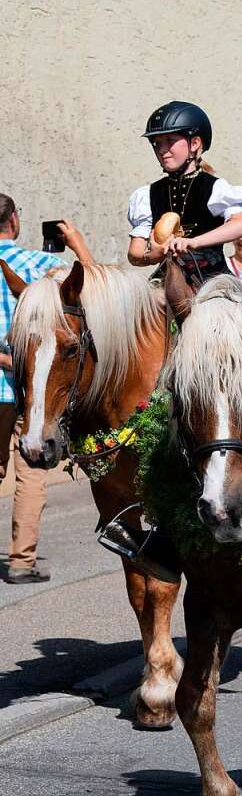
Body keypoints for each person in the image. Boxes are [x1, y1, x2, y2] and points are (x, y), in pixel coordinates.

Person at [0, 195, 93, 583]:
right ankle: (22, 561)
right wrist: (76, 243)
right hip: (27, 388)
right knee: (30, 472)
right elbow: (92, 283)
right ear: (15, 221)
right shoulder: (37, 264)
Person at [127, 101, 242, 282]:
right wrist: (153, 255)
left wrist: (194, 242)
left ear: (194, 143)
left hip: (214, 281)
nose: (162, 150)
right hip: (168, 281)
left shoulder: (215, 188)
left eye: (170, 141)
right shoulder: (148, 194)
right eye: (157, 144)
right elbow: (134, 253)